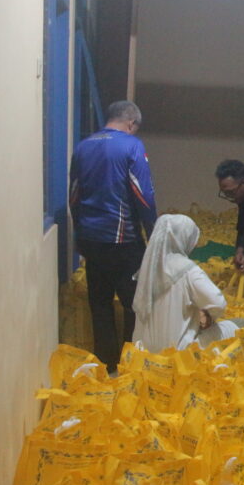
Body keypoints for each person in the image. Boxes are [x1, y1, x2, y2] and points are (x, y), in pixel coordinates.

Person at [69, 100, 157, 372]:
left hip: (91, 239)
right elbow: (143, 194)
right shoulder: (132, 146)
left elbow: (74, 195)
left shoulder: (83, 147)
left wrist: (80, 233)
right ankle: (130, 362)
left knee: (100, 302)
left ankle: (106, 364)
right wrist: (153, 231)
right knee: (135, 303)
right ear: (131, 123)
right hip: (122, 239)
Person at [132, 215, 244, 352]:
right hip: (180, 353)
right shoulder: (187, 270)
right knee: (240, 324)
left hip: (144, 351)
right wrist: (208, 317)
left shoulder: (147, 270)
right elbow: (218, 303)